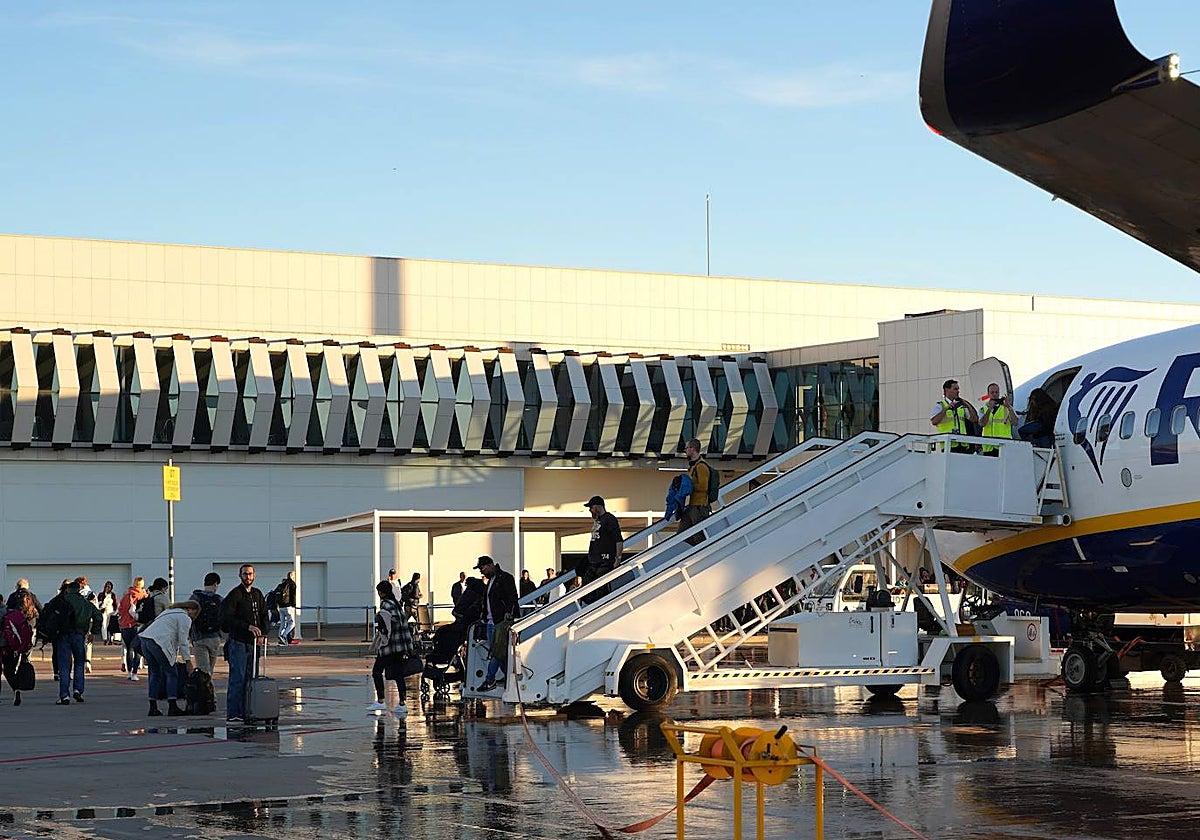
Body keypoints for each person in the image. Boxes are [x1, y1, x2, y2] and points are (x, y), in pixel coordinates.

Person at [219, 564, 269, 724]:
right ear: (240, 575)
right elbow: (227, 618)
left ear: (255, 575)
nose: (248, 577)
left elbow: (264, 615)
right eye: (245, 574)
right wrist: (247, 627)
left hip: (254, 644)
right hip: (239, 642)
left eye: (250, 574)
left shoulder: (257, 594)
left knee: (251, 679)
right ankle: (234, 713)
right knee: (238, 679)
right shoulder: (235, 595)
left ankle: (249, 710)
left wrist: (263, 633)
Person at [139, 600, 199, 716]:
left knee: (154, 673)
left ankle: (153, 707)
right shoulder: (184, 618)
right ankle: (172, 705)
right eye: (195, 613)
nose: (194, 616)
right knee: (171, 673)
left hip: (145, 640)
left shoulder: (168, 612)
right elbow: (183, 641)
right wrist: (188, 661)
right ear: (190, 609)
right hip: (159, 642)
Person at [367, 580, 415, 718]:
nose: (378, 594)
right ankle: (402, 704)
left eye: (379, 591)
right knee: (398, 674)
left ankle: (381, 700)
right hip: (401, 646)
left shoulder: (385, 605)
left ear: (382, 593)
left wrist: (381, 639)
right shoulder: (397, 604)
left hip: (389, 646)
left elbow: (385, 627)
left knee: (377, 671)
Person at [473, 555, 518, 692]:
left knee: (496, 652)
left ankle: (490, 679)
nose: (481, 572)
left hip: (501, 622)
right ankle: (509, 676)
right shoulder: (491, 581)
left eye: (482, 568)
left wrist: (509, 612)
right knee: (499, 653)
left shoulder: (505, 578)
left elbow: (512, 596)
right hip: (490, 621)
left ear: (489, 565)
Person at [55, 580, 102, 704]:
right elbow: (98, 616)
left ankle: (64, 695)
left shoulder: (61, 601)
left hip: (63, 635)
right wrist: (93, 632)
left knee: (64, 666)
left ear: (68, 589)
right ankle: (78, 690)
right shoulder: (85, 603)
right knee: (80, 663)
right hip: (79, 635)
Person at [583, 496, 623, 602]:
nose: (590, 510)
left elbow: (618, 540)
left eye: (591, 507)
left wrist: (618, 559)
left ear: (597, 507)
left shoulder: (609, 519)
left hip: (605, 561)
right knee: (586, 590)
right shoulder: (598, 520)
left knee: (601, 591)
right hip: (594, 562)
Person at [1, 589, 37, 707]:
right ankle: (16, 688)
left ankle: (13, 689)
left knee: (5, 671)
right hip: (13, 646)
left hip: (3, 645)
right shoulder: (16, 614)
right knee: (10, 670)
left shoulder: (8, 613)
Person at [680, 439, 716, 545]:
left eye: (686, 448)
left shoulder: (701, 466)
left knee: (698, 536)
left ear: (693, 449)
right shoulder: (695, 466)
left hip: (699, 507)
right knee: (684, 534)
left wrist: (688, 486)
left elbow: (703, 486)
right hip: (694, 506)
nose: (685, 450)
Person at [931, 378, 979, 453]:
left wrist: (968, 406)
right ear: (947, 390)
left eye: (958, 389)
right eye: (955, 389)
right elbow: (934, 421)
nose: (958, 391)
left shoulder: (960, 406)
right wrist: (946, 409)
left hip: (962, 444)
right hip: (948, 444)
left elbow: (974, 419)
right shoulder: (940, 406)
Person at [189, 573, 224, 676]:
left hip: (199, 637)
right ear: (215, 584)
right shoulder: (219, 599)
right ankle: (208, 685)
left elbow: (189, 616)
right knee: (210, 670)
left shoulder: (196, 597)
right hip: (215, 638)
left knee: (203, 671)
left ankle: (205, 686)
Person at [117, 577, 147, 681]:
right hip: (137, 625)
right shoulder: (143, 596)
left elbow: (120, 610)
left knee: (129, 649)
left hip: (125, 625)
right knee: (138, 650)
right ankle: (135, 672)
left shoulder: (126, 596)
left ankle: (129, 672)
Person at [978, 382, 1017, 455]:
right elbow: (982, 424)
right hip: (988, 447)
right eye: (992, 392)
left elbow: (1015, 423)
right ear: (988, 394)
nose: (994, 394)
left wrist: (1009, 407)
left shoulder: (1006, 407)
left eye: (996, 392)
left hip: (1004, 446)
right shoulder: (983, 409)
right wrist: (989, 409)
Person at [274, 571, 298, 645]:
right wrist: (294, 604)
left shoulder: (282, 584)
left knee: (283, 623)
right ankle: (283, 636)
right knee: (292, 623)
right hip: (288, 606)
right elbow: (293, 595)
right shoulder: (292, 584)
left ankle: (280, 637)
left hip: (281, 607)